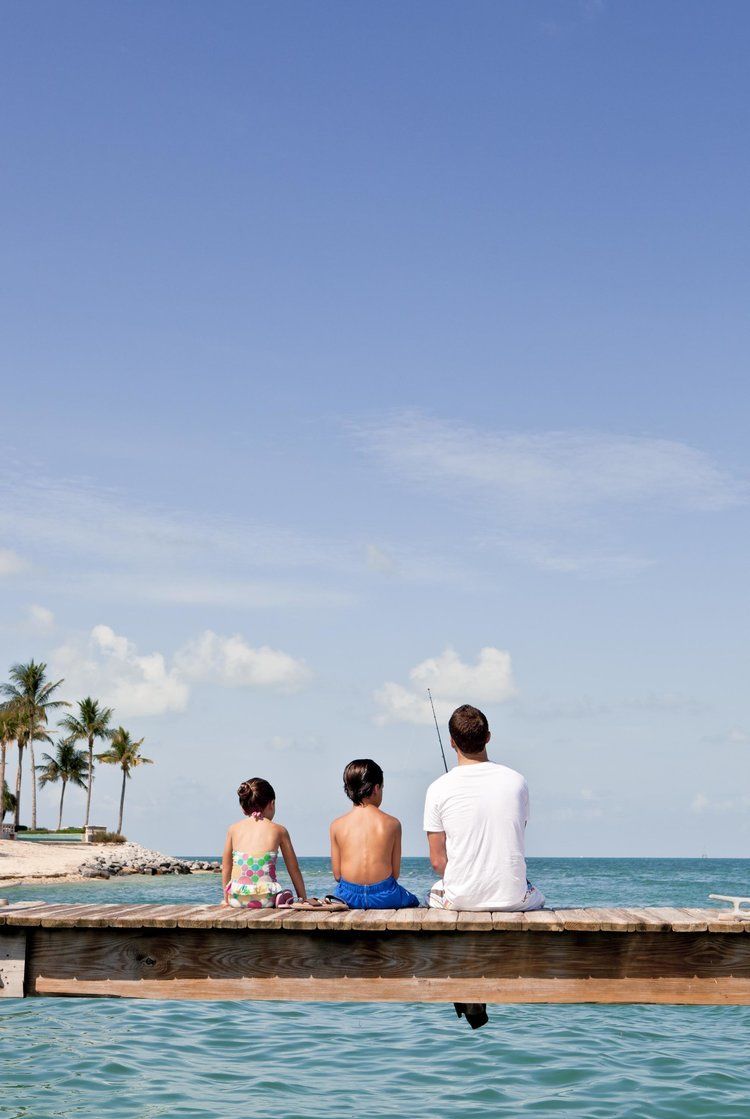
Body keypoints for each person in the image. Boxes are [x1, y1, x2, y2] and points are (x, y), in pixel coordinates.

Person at [424, 704, 544, 912]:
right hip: (514, 900)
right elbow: (516, 833)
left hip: (460, 900)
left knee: (430, 895)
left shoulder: (437, 788)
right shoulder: (517, 781)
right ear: (488, 737)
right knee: (536, 893)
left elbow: (437, 862)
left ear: (452, 742)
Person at [330, 759, 419, 909]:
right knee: (413, 900)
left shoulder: (336, 825)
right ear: (376, 788)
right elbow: (394, 874)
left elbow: (338, 875)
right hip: (385, 896)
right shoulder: (393, 824)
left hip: (347, 897)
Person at [222, 777, 306, 907]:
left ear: (243, 808)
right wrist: (303, 899)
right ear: (271, 804)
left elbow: (226, 868)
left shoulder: (233, 829)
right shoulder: (279, 830)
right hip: (267, 899)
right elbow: (293, 869)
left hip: (236, 899)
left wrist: (227, 899)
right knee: (286, 895)